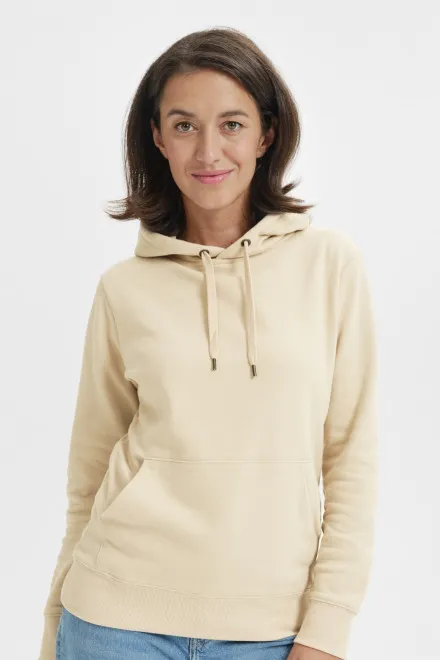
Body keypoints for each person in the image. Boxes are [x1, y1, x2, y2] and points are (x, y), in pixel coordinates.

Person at [39, 26, 379, 660]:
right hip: (112, 622)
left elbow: (350, 459)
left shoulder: (330, 267)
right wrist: (52, 626)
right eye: (185, 125)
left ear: (266, 134)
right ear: (157, 137)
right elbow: (89, 476)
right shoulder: (123, 289)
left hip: (272, 632)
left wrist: (328, 628)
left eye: (232, 124)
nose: (208, 151)